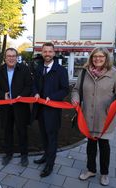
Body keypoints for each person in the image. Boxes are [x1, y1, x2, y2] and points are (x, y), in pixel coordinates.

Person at [71, 47, 116, 186]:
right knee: (90, 145)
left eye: (101, 56)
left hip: (105, 117)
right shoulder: (84, 72)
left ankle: (104, 173)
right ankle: (91, 170)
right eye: (95, 56)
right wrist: (75, 98)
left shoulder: (114, 73)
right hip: (87, 116)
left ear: (106, 58)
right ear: (91, 58)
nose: (98, 59)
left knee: (104, 146)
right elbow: (76, 89)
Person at [32, 42, 69, 177]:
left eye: (49, 51)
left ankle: (50, 165)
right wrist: (35, 93)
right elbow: (34, 85)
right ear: (42, 53)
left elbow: (65, 89)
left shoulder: (61, 70)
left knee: (52, 137)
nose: (47, 54)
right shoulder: (39, 68)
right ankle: (45, 156)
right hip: (40, 109)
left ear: (54, 53)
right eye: (45, 51)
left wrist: (51, 98)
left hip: (52, 110)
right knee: (43, 135)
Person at [0, 48, 32, 167]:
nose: (11, 58)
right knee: (7, 131)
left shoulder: (24, 69)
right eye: (8, 56)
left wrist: (22, 96)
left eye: (13, 56)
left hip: (20, 107)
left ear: (17, 57)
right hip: (6, 107)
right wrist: (2, 95)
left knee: (22, 131)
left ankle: (24, 155)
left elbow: (29, 86)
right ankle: (8, 154)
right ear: (5, 58)